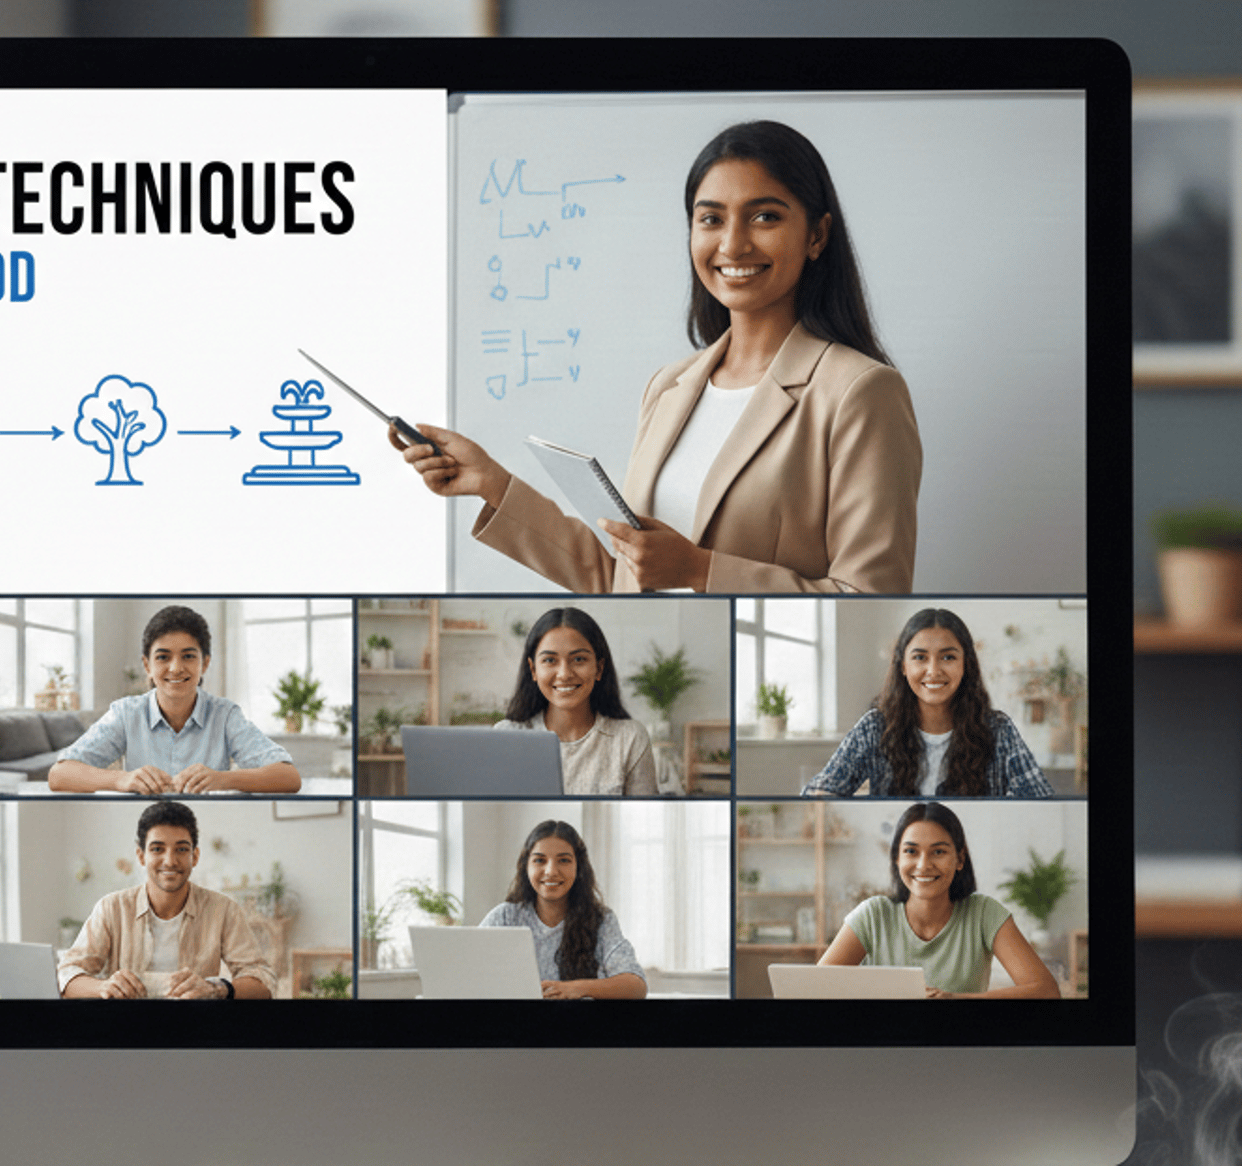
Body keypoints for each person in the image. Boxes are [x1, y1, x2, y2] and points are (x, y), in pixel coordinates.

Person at [396, 120, 919, 594]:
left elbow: (870, 598)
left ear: (817, 235)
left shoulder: (860, 391)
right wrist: (490, 482)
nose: (733, 245)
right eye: (710, 219)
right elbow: (619, 575)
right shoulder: (669, 387)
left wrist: (699, 570)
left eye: (764, 216)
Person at [48, 605, 300, 794]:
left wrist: (223, 779)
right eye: (163, 657)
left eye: (188, 656)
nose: (176, 668)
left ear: (205, 663)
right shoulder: (126, 713)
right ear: (147, 665)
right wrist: (120, 780)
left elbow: (288, 777)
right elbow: (59, 775)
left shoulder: (225, 715)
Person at [803, 608, 1053, 797]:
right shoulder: (875, 726)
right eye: (920, 657)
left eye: (947, 657)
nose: (933, 671)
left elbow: (1042, 801)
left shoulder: (998, 729)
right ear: (903, 665)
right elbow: (816, 792)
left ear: (966, 664)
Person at [819, 802, 1058, 999]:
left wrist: (956, 999)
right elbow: (814, 991)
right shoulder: (873, 915)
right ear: (896, 859)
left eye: (939, 852)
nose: (923, 865)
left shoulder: (984, 914)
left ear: (960, 859)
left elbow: (1047, 991)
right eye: (911, 851)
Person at [58, 801, 275, 999]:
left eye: (181, 849)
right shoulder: (112, 907)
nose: (170, 861)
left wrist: (215, 989)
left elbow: (264, 981)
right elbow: (67, 975)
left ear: (195, 856)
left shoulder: (223, 909)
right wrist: (103, 987)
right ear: (141, 856)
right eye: (157, 849)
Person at [492, 607, 657, 796]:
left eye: (579, 659)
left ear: (599, 668)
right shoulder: (506, 736)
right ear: (533, 670)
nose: (564, 674)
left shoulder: (629, 738)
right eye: (549, 660)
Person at [478, 820, 647, 1000]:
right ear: (526, 866)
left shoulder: (601, 920)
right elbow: (469, 971)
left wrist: (576, 988)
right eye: (539, 860)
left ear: (578, 867)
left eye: (564, 860)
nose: (551, 871)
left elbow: (636, 987)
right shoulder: (505, 917)